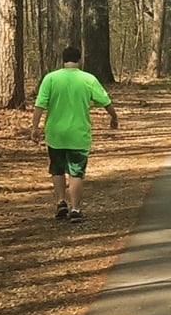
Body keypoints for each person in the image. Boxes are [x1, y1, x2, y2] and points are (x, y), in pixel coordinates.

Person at [30, 45, 118, 223]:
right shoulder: (88, 78)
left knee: (57, 169)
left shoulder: (51, 78)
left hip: (55, 133)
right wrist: (114, 116)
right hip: (79, 134)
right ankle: (76, 209)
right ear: (80, 60)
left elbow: (40, 104)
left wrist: (35, 127)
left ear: (62, 60)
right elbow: (105, 101)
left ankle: (61, 201)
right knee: (76, 172)